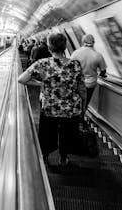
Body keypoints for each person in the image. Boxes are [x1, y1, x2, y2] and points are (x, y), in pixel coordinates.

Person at [18, 33, 86, 166]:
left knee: (47, 134)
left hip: (50, 107)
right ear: (65, 46)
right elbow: (82, 89)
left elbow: (21, 79)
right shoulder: (75, 65)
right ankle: (63, 158)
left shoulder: (43, 63)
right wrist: (83, 107)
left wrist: (41, 83)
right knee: (67, 134)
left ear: (49, 47)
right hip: (71, 109)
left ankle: (45, 157)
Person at [70, 34, 107, 112]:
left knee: (75, 102)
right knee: (85, 103)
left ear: (83, 42)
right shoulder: (98, 55)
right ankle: (82, 116)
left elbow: (70, 68)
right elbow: (103, 71)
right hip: (90, 84)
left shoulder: (75, 53)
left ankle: (75, 116)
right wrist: (102, 74)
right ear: (93, 42)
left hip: (77, 83)